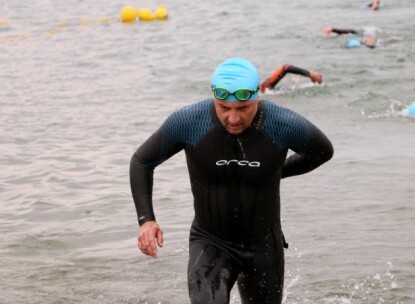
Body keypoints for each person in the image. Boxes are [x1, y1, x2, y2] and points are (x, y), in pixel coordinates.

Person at [130, 57, 334, 303]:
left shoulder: (281, 124)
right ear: (214, 99)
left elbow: (323, 152)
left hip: (263, 246)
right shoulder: (189, 122)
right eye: (224, 108)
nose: (233, 119)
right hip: (210, 242)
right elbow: (142, 161)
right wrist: (146, 220)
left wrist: (277, 171)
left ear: (258, 96)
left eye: (243, 108)